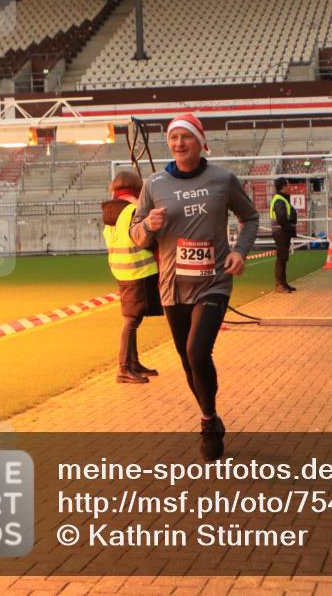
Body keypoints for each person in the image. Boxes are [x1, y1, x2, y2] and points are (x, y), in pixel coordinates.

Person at [130, 112, 259, 461]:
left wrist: (239, 251)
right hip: (172, 285)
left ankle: (206, 424)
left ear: (200, 141)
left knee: (197, 352)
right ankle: (211, 417)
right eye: (173, 138)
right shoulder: (154, 185)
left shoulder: (222, 179)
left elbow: (250, 218)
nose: (179, 144)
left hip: (214, 281)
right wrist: (150, 226)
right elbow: (137, 234)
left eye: (186, 137)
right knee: (187, 363)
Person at [102, 171, 162, 384]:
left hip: (122, 271)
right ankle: (124, 368)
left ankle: (133, 363)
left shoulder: (111, 212)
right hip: (140, 271)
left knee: (133, 318)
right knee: (132, 320)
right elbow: (145, 239)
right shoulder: (135, 210)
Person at [270, 177, 298, 293]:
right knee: (281, 258)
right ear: (283, 187)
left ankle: (284, 283)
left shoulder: (281, 199)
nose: (289, 187)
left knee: (283, 258)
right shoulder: (279, 200)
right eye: (288, 185)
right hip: (281, 231)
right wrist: (290, 228)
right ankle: (280, 285)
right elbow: (281, 219)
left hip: (282, 231)